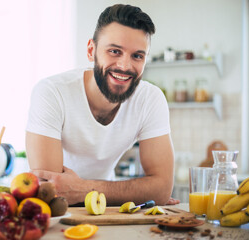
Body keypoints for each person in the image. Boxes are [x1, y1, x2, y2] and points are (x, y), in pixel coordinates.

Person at [26, 4, 179, 206]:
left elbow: (161, 190)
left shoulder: (151, 99)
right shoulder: (52, 92)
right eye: (115, 51)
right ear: (91, 51)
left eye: (137, 56)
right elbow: (51, 191)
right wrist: (135, 192)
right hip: (53, 214)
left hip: (106, 208)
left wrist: (82, 189)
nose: (125, 66)